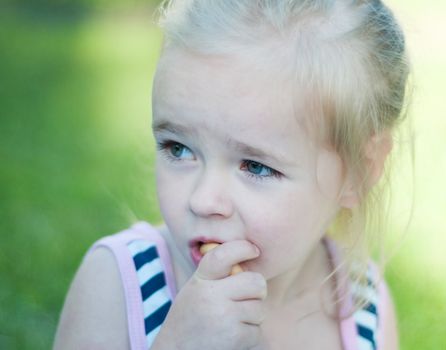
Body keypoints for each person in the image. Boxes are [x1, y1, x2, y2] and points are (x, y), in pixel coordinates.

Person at [54, 0, 411, 349]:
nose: (203, 200)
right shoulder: (117, 283)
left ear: (358, 173)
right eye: (178, 148)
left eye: (255, 166)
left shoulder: (364, 304)